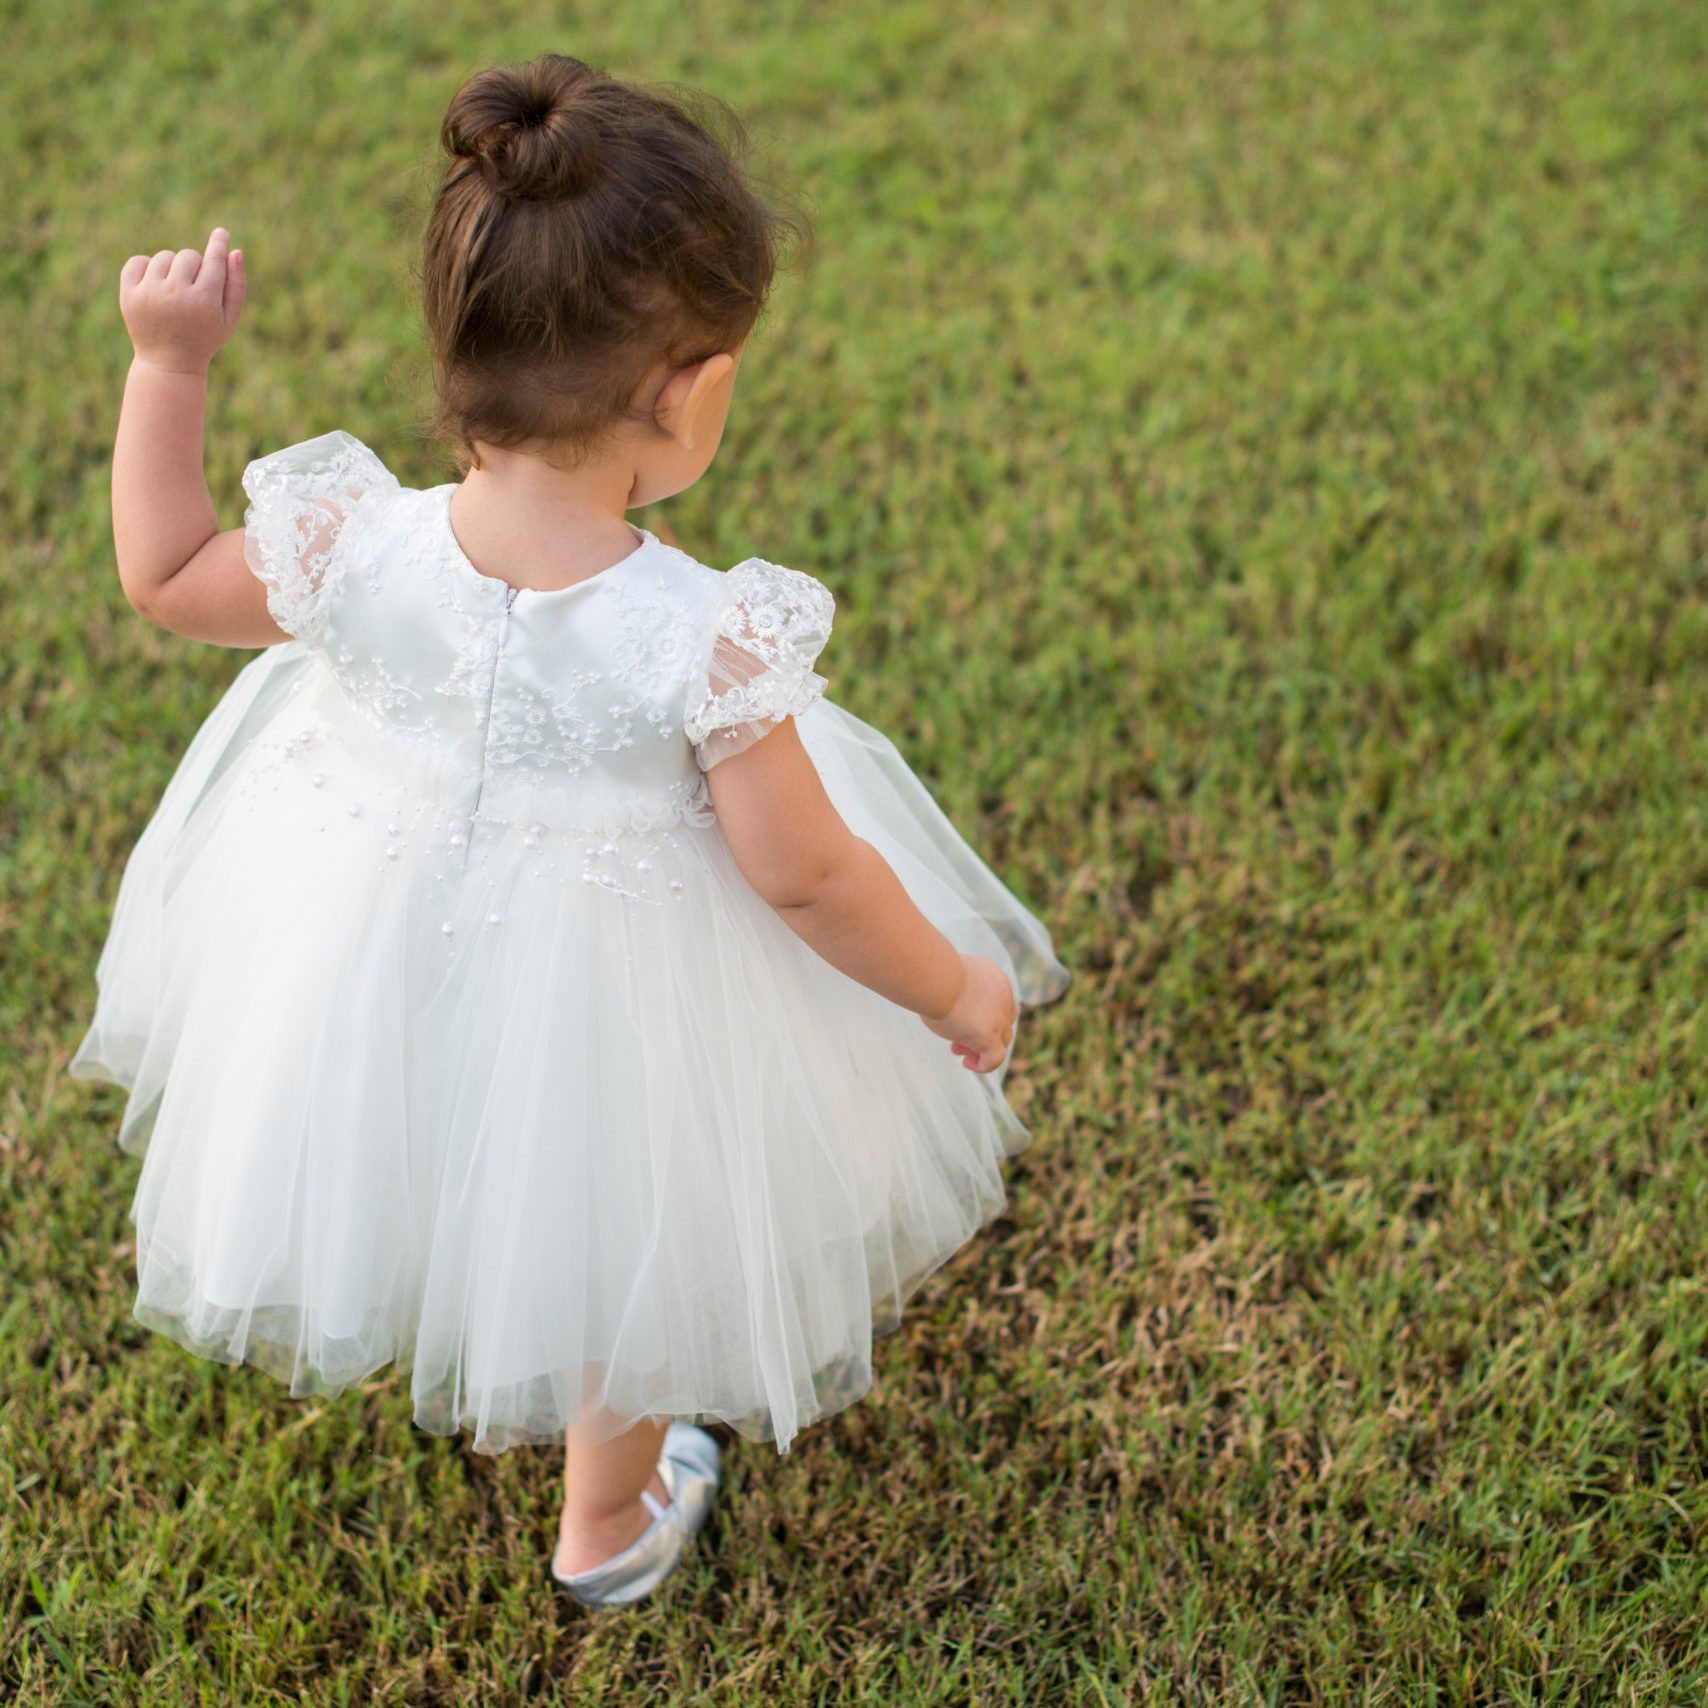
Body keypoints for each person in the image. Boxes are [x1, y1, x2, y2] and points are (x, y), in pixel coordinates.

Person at [70, 51, 1071, 1609]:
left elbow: (166, 568)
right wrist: (955, 989)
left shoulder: (354, 545)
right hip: (613, 993)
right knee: (623, 1213)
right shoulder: (704, 640)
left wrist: (170, 366)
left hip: (364, 931)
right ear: (693, 391)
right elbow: (805, 873)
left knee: (433, 1135)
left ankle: (538, 1404)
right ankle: (603, 1527)